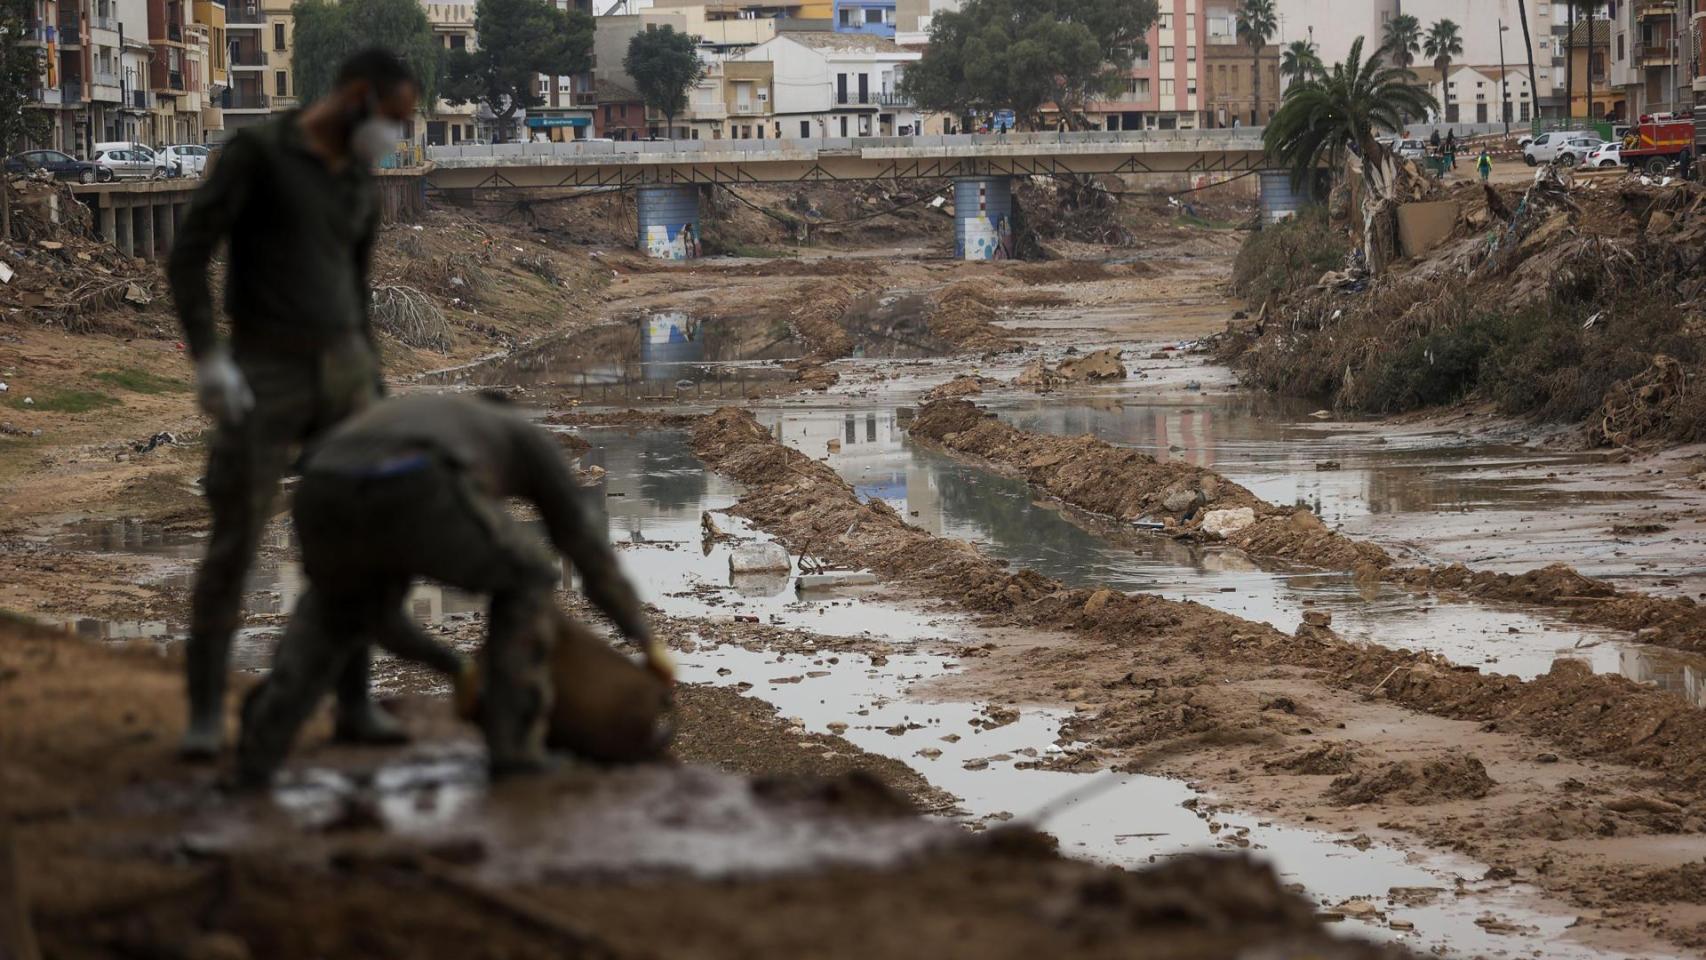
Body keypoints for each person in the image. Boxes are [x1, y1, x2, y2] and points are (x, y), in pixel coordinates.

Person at [166, 48, 420, 760]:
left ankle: (354, 706)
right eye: (395, 119)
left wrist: (373, 382)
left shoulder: (359, 181)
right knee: (236, 539)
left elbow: (359, 289)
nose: (396, 136)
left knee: (355, 543)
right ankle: (206, 716)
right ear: (358, 97)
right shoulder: (259, 153)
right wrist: (208, 356)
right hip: (265, 368)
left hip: (345, 372)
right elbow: (190, 254)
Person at [235, 393, 671, 787]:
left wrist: (456, 666)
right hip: (416, 480)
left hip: (320, 486)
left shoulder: (436, 414)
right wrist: (642, 635)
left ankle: (258, 752)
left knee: (335, 607)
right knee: (529, 574)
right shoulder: (523, 435)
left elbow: (381, 620)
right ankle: (514, 748)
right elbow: (582, 540)